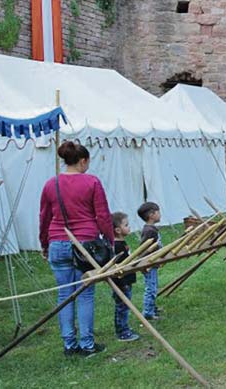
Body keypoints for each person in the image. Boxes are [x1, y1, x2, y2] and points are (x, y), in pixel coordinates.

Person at [39, 141, 113, 357]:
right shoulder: (92, 182)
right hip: (85, 244)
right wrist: (109, 240)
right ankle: (87, 344)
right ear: (83, 161)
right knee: (85, 294)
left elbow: (44, 218)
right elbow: (102, 215)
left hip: (58, 242)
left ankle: (69, 344)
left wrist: (44, 243)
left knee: (65, 294)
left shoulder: (51, 184)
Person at [111, 212, 140, 342]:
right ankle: (122, 332)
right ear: (118, 230)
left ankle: (124, 327)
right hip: (122, 282)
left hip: (126, 281)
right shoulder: (117, 246)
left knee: (124, 306)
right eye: (126, 225)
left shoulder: (122, 243)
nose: (129, 227)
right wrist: (123, 282)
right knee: (122, 307)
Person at [138, 202, 162, 320]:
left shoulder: (151, 229)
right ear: (151, 215)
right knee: (151, 288)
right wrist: (145, 264)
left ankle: (152, 307)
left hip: (153, 262)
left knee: (154, 286)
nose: (160, 214)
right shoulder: (149, 231)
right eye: (158, 212)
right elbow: (144, 249)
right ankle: (148, 312)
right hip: (149, 264)